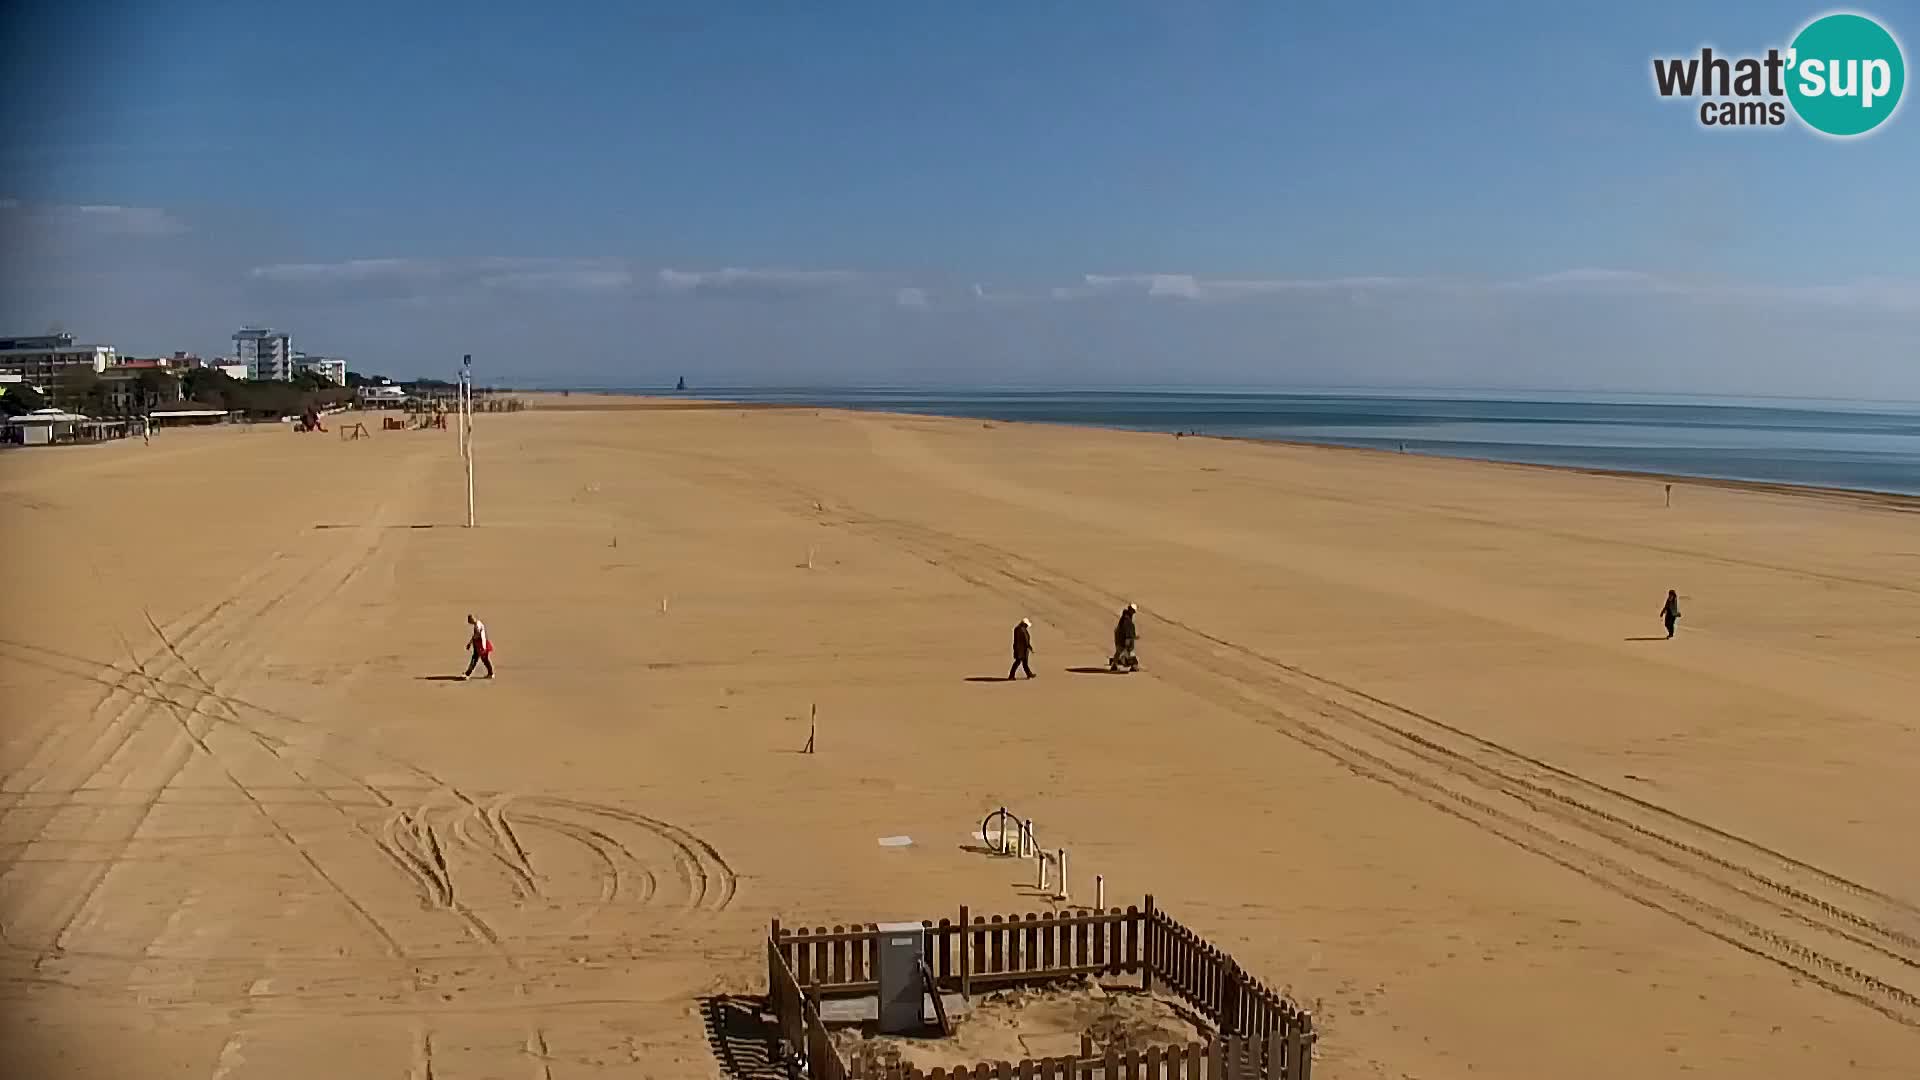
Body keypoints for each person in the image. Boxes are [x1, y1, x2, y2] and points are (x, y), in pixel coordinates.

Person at [463, 614, 494, 679]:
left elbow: (477, 635)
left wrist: (471, 643)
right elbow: (475, 635)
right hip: (479, 645)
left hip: (480, 646)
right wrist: (470, 643)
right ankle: (491, 673)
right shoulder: (478, 624)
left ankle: (467, 674)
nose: (469, 622)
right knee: (483, 660)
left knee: (476, 660)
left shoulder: (477, 625)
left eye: (469, 620)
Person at [1111, 603, 1139, 670]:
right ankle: (1133, 666)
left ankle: (1114, 665)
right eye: (1133, 611)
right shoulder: (1127, 619)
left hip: (1120, 637)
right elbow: (1128, 630)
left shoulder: (1125, 616)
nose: (1134, 612)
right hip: (1125, 638)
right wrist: (1130, 638)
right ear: (1130, 610)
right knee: (1130, 651)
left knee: (1118, 651)